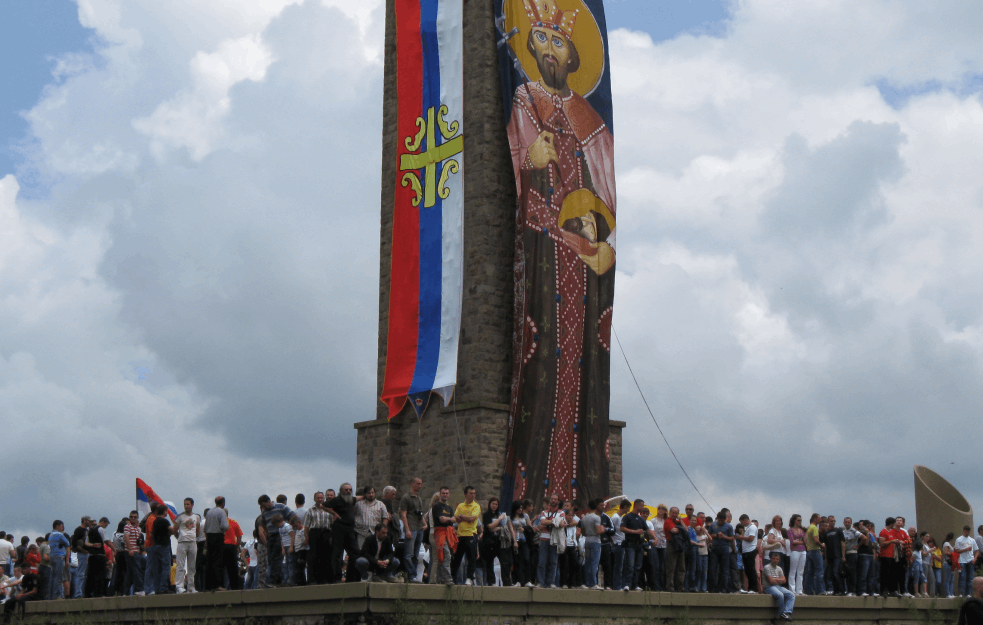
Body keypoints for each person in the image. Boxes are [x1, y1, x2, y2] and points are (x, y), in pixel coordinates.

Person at [257, 494, 300, 586]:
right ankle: (279, 580)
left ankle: (274, 581)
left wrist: (291, 526)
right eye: (262, 506)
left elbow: (293, 515)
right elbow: (264, 523)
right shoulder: (264, 512)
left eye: (264, 505)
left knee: (277, 558)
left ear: (269, 501)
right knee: (271, 559)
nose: (263, 508)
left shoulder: (281, 507)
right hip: (271, 536)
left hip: (280, 534)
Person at [325, 484, 359, 583]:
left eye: (350, 489)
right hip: (338, 530)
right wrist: (334, 513)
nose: (348, 491)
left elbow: (359, 497)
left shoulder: (350, 500)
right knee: (337, 554)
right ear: (341, 490)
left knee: (354, 553)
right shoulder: (336, 500)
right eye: (346, 489)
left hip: (350, 530)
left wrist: (366, 495)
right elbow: (322, 505)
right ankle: (337, 578)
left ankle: (350, 577)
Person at [450, 486, 481, 586]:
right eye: (471, 493)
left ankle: (469, 578)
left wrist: (462, 516)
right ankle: (453, 578)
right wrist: (464, 518)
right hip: (460, 535)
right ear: (465, 494)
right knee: (457, 558)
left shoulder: (476, 506)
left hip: (471, 534)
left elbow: (472, 518)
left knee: (471, 557)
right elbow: (456, 518)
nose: (473, 495)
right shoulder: (460, 506)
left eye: (474, 493)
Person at [399, 477, 427, 583]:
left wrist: (425, 524)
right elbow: (403, 514)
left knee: (416, 554)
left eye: (421, 484)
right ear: (412, 484)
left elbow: (420, 513)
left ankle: (414, 575)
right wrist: (407, 529)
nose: (420, 486)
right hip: (412, 527)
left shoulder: (418, 498)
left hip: (419, 528)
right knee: (408, 554)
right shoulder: (406, 497)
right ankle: (411, 575)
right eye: (418, 484)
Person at [534, 494, 564, 588]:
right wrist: (555, 521)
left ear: (558, 501)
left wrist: (549, 522)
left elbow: (561, 523)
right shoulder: (544, 512)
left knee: (553, 562)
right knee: (542, 562)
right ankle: (540, 582)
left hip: (554, 539)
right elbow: (542, 522)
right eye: (552, 499)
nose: (553, 500)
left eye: (555, 499)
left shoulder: (561, 512)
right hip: (544, 538)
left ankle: (551, 582)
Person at [304, 491, 334, 585]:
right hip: (314, 533)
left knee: (326, 557)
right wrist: (306, 537)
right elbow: (306, 526)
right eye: (318, 498)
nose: (320, 499)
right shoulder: (310, 510)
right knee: (313, 557)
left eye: (321, 498)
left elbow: (332, 524)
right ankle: (312, 580)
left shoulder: (328, 509)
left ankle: (325, 579)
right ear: (314, 499)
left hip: (326, 533)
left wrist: (332, 536)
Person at [173, 498, 200, 594]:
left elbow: (198, 529)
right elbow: (174, 529)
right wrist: (180, 537)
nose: (186, 506)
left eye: (188, 504)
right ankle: (179, 586)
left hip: (192, 542)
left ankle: (191, 586)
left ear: (192, 505)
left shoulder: (196, 517)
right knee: (180, 565)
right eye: (185, 504)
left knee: (192, 566)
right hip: (182, 542)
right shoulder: (180, 516)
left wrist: (193, 537)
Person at [430, 487, 456, 585]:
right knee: (445, 555)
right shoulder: (437, 506)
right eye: (443, 493)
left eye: (447, 493)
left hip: (448, 533)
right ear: (440, 494)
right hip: (439, 533)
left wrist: (448, 519)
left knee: (446, 556)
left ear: (449, 495)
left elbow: (454, 519)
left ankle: (441, 577)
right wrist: (450, 519)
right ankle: (447, 578)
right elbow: (441, 519)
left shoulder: (449, 508)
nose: (445, 495)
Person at [203, 497, 230, 590]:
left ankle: (208, 585)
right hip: (218, 536)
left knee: (209, 561)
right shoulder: (221, 512)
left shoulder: (209, 512)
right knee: (218, 561)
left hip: (209, 537)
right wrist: (227, 526)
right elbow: (224, 526)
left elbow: (205, 528)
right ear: (223, 503)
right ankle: (218, 585)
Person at [620, 500, 647, 592]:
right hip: (630, 544)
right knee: (630, 565)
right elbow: (622, 528)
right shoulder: (627, 517)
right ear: (637, 506)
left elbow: (647, 529)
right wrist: (635, 531)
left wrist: (655, 538)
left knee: (638, 566)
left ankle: (635, 585)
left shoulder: (640, 519)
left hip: (639, 545)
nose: (643, 508)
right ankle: (627, 584)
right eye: (642, 506)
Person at [763, 551, 795, 621]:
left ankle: (786, 613)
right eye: (774, 558)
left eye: (777, 559)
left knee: (791, 594)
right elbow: (770, 581)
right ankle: (780, 614)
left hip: (778, 586)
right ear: (771, 559)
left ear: (779, 560)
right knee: (780, 595)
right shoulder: (767, 567)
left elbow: (784, 580)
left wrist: (775, 579)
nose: (775, 560)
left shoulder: (779, 568)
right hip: (768, 587)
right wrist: (779, 579)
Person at [709, 509, 734, 593]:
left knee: (724, 571)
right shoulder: (713, 525)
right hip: (714, 550)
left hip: (724, 550)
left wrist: (724, 536)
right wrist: (715, 536)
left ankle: (723, 588)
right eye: (719, 520)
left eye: (722, 520)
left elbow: (732, 538)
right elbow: (709, 536)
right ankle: (713, 588)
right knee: (713, 570)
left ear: (725, 519)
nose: (720, 522)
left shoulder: (729, 526)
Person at [580, 499, 603, 590]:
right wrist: (603, 529)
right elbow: (598, 531)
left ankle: (587, 582)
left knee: (588, 562)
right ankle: (593, 583)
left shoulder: (585, 517)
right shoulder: (596, 517)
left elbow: (583, 532)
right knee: (594, 562)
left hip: (587, 539)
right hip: (595, 540)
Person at [878, 517, 903, 597]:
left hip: (892, 556)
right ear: (891, 524)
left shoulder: (892, 532)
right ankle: (883, 590)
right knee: (885, 573)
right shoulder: (883, 532)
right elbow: (882, 543)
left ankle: (893, 590)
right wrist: (892, 541)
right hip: (885, 556)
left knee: (893, 574)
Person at [664, 507, 687, 592]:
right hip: (671, 544)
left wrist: (681, 521)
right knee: (671, 567)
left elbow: (686, 529)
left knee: (681, 567)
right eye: (673, 513)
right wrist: (681, 530)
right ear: (670, 513)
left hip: (680, 545)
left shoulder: (678, 522)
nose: (674, 515)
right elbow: (674, 530)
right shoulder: (668, 521)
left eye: (676, 513)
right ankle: (670, 586)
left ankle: (680, 586)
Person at [610, 500, 629, 592]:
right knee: (618, 566)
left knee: (622, 565)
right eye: (628, 508)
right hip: (617, 543)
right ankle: (617, 586)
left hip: (622, 543)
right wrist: (613, 542)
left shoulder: (621, 517)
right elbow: (611, 530)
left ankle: (621, 584)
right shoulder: (615, 517)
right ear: (625, 507)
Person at [804, 513, 825, 595]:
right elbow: (816, 539)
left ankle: (808, 590)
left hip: (809, 551)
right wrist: (822, 546)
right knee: (819, 571)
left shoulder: (809, 527)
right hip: (816, 550)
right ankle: (820, 590)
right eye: (819, 518)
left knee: (810, 572)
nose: (821, 520)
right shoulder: (815, 528)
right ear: (815, 519)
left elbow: (805, 540)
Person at [955, 526, 979, 597]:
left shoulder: (972, 540)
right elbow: (956, 550)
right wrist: (965, 549)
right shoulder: (959, 539)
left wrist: (975, 559)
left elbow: (977, 551)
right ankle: (961, 593)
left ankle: (968, 593)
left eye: (968, 531)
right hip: (962, 560)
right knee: (963, 577)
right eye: (966, 531)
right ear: (963, 530)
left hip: (970, 560)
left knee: (970, 577)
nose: (967, 532)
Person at [222, 510, 243, 590]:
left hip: (222, 546)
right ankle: (234, 587)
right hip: (232, 546)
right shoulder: (233, 522)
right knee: (233, 568)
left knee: (222, 568)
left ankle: (223, 586)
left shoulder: (219, 522)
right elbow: (239, 535)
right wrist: (237, 545)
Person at [693, 522, 709, 592]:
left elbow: (710, 539)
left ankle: (703, 588)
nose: (699, 529)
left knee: (704, 572)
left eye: (700, 528)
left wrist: (705, 531)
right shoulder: (695, 537)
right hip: (698, 555)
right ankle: (697, 587)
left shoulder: (705, 536)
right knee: (699, 570)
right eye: (698, 528)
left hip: (705, 554)